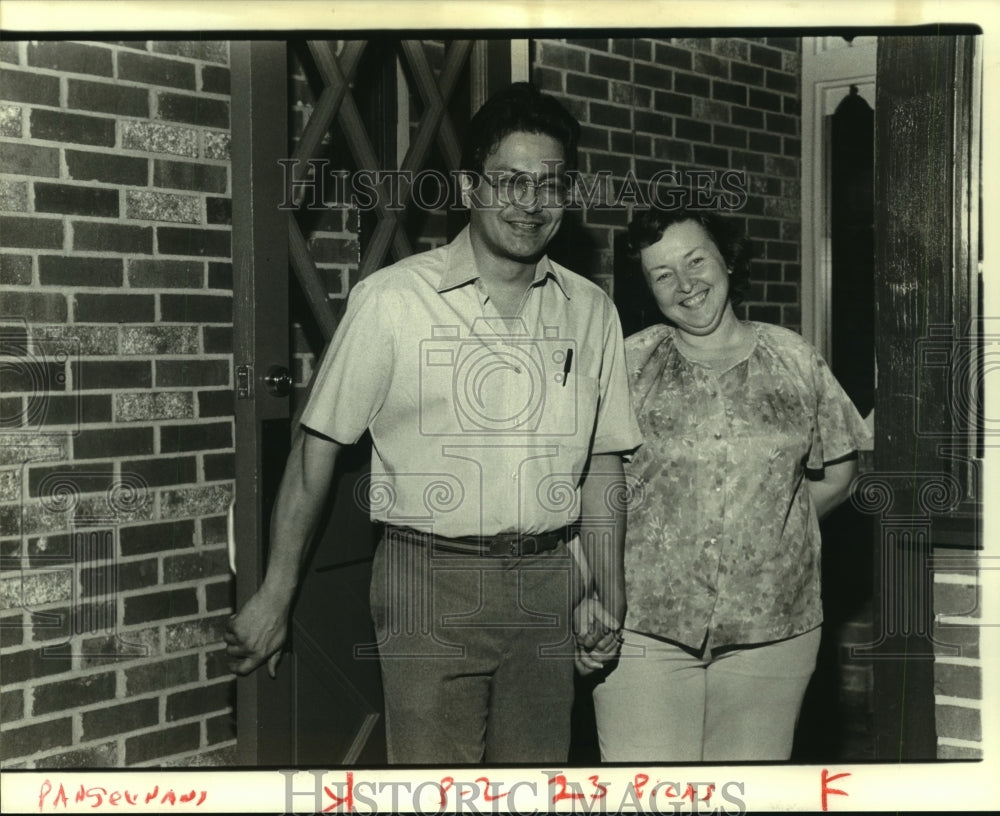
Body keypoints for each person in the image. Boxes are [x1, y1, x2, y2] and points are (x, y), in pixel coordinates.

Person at [224, 82, 641, 765]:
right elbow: (316, 449)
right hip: (429, 582)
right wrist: (276, 590)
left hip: (545, 581)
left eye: (550, 184)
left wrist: (605, 590)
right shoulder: (392, 301)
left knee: (533, 789)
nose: (530, 204)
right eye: (509, 181)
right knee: (433, 789)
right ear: (470, 187)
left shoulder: (590, 309)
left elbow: (603, 461)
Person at [588, 207, 872, 762]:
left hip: (773, 634)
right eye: (662, 274)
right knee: (647, 795)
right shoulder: (627, 365)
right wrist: (588, 591)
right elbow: (592, 490)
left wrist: (764, 531)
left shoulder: (794, 359)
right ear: (648, 288)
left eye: (696, 261)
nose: (686, 284)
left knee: (747, 793)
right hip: (645, 632)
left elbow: (839, 473)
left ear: (726, 259)